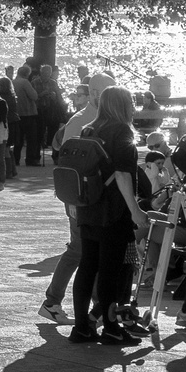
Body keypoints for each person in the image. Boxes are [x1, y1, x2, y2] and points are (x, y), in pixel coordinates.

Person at [68, 87, 149, 346]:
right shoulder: (122, 131)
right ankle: (112, 328)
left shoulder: (89, 129)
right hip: (112, 211)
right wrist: (135, 211)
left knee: (88, 265)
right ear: (124, 105)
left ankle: (81, 327)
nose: (135, 106)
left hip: (88, 207)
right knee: (110, 271)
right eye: (132, 102)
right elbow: (124, 175)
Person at [38, 72, 114, 324]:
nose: (111, 96)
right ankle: (52, 301)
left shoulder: (96, 117)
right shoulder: (82, 120)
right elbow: (66, 162)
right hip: (79, 196)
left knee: (88, 248)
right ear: (94, 94)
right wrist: (72, 200)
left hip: (88, 196)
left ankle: (95, 304)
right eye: (107, 92)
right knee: (79, 249)